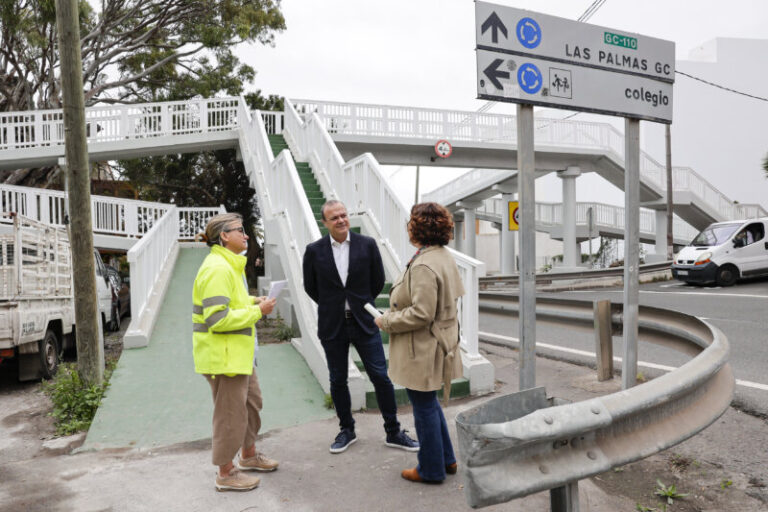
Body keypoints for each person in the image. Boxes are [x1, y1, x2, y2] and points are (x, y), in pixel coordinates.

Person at [302, 200, 419, 454]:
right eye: (334, 218)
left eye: (344, 215)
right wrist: (334, 304)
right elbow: (310, 287)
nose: (341, 220)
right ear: (325, 223)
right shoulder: (314, 250)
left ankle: (393, 431)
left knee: (379, 375)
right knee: (338, 379)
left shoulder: (367, 245)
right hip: (332, 323)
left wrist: (359, 303)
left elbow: (377, 280)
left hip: (364, 321)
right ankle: (347, 429)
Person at [374, 202, 464, 484]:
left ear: (417, 228)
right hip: (439, 343)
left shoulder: (424, 264)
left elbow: (422, 314)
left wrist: (386, 321)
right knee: (429, 403)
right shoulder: (442, 256)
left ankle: (431, 469)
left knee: (423, 407)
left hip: (423, 347)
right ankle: (446, 460)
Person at [192, 213, 279, 492]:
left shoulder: (230, 265)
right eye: (240, 230)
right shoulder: (217, 268)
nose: (246, 235)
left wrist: (253, 300)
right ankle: (226, 473)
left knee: (252, 404)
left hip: (238, 355)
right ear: (224, 236)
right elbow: (217, 319)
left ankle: (249, 455)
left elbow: (233, 302)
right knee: (230, 415)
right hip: (223, 358)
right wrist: (258, 311)